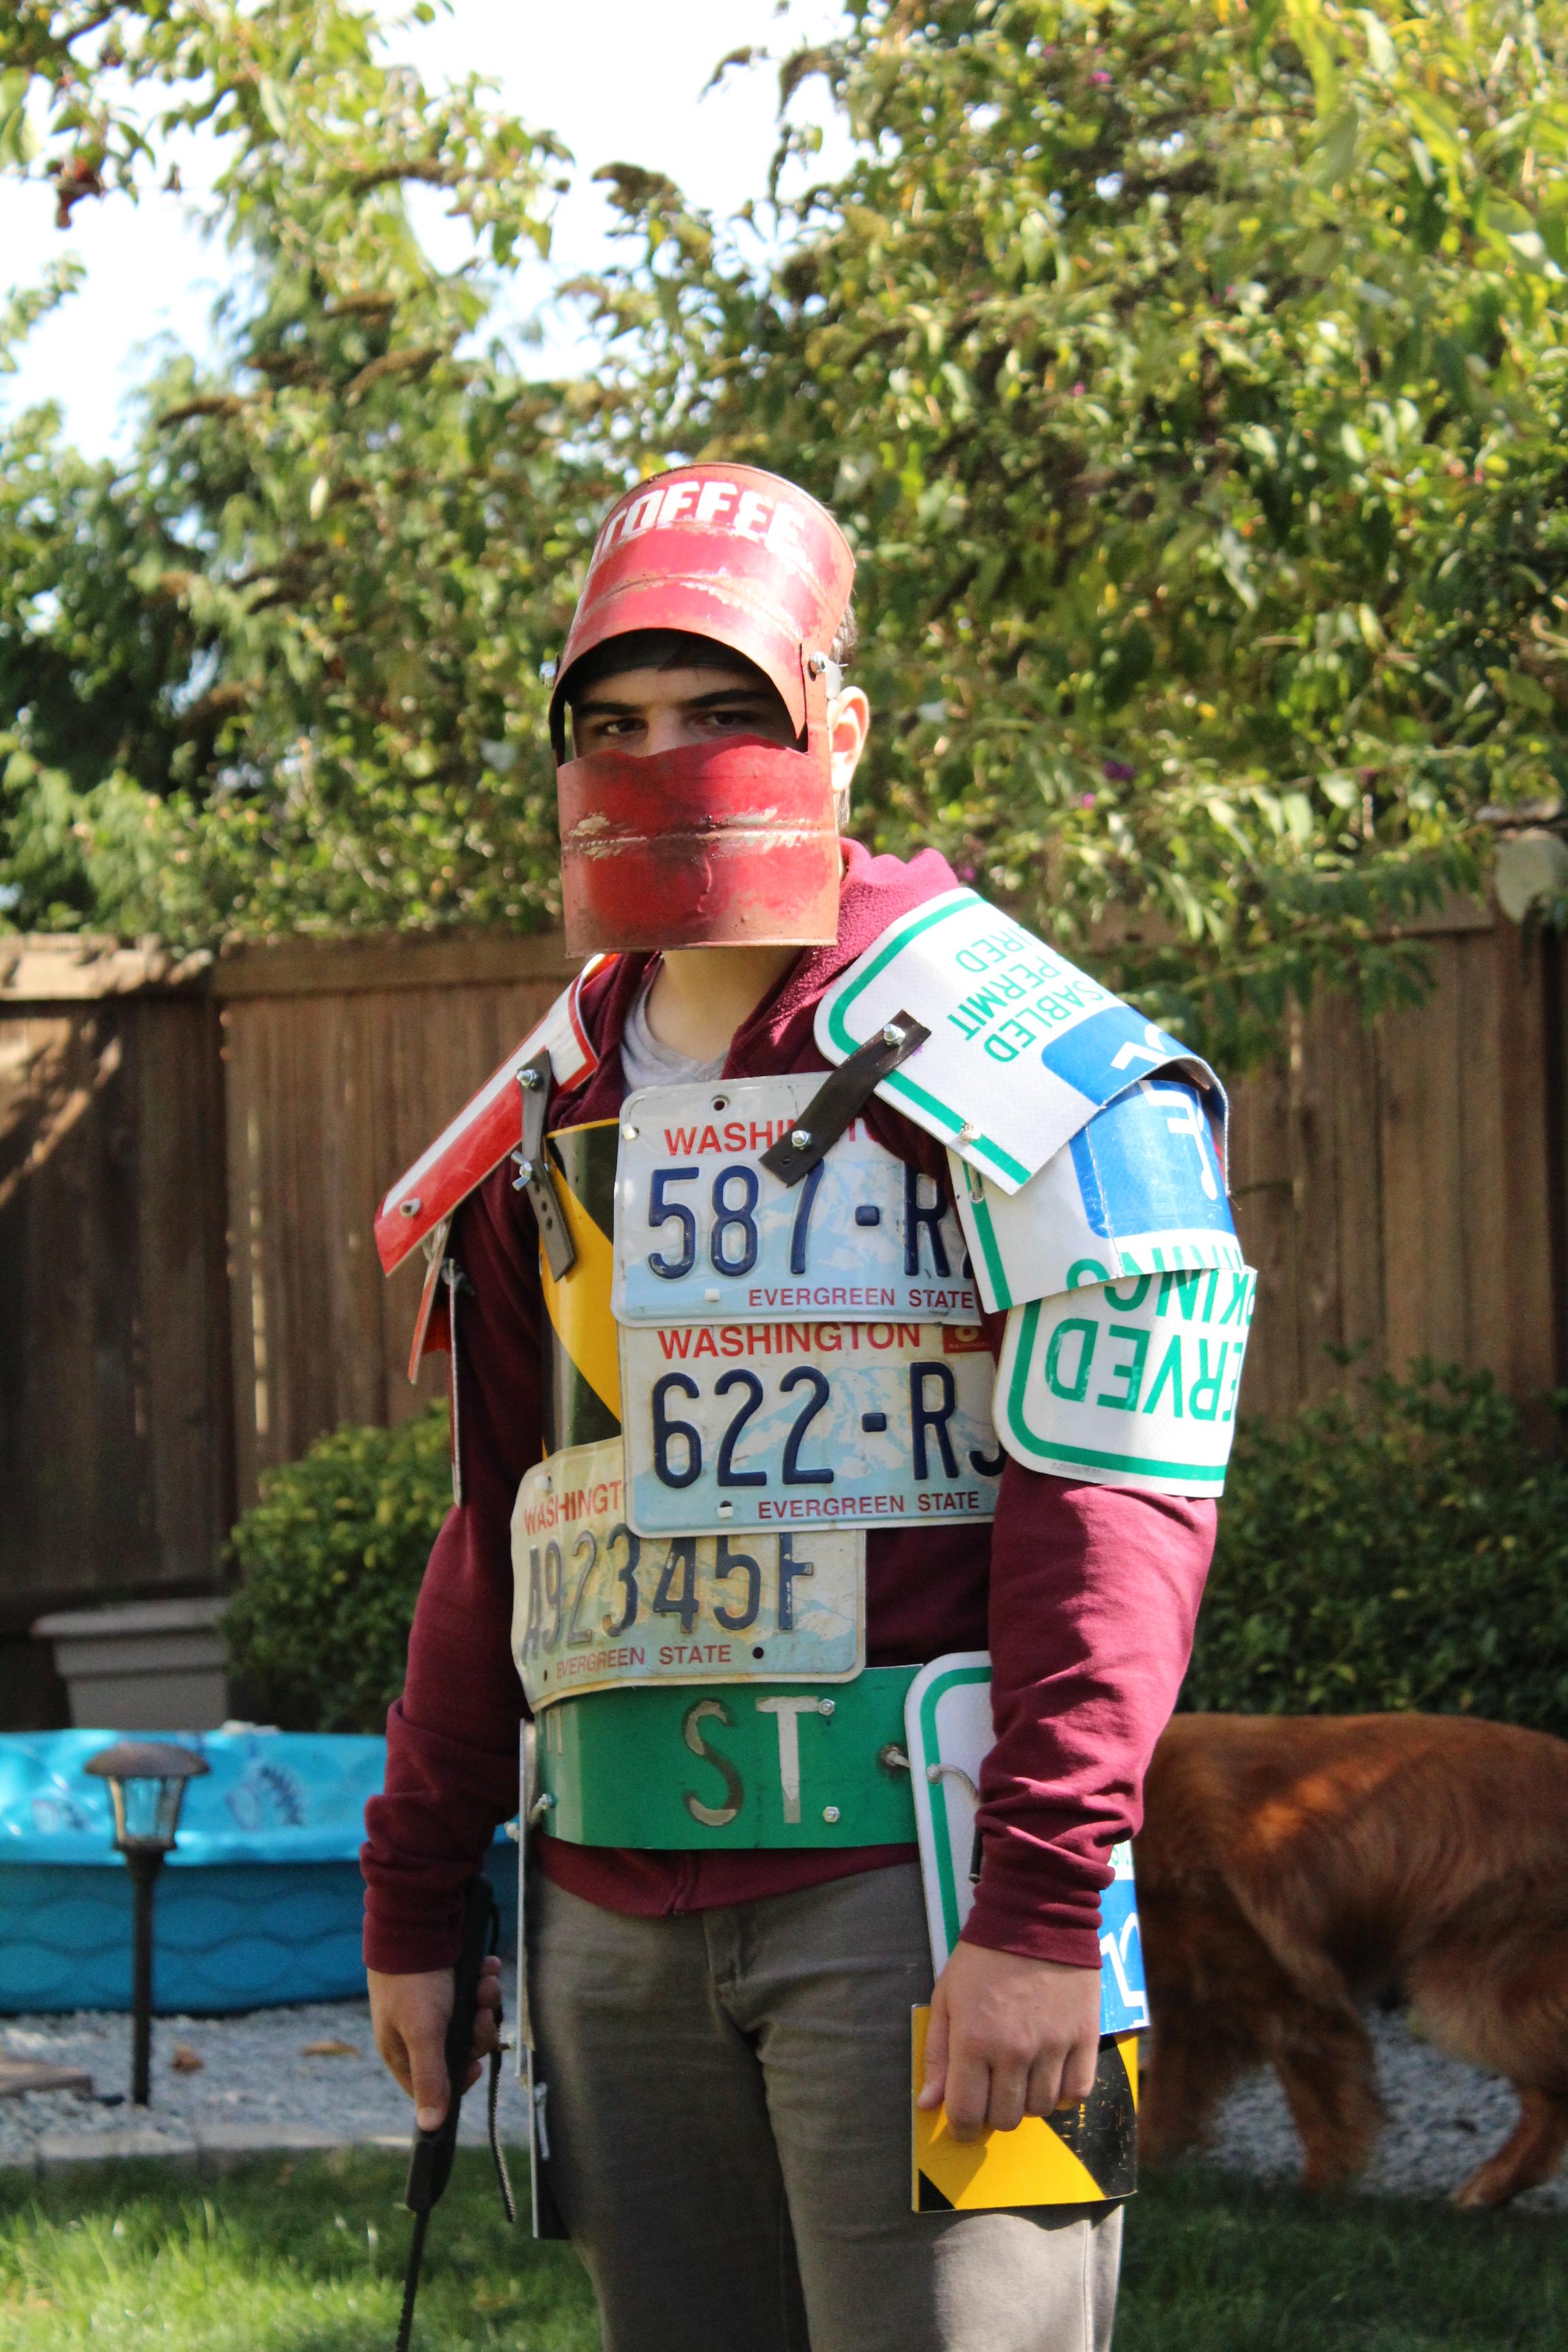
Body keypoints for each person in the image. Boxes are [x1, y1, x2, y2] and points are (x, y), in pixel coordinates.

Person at [362, 463, 1230, 2352]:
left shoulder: (1038, 1069)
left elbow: (1113, 1519)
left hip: (916, 1901)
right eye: (615, 720)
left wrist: (1039, 1905)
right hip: (607, 1914)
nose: (665, 760)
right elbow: (507, 1509)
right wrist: (420, 1887)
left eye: (723, 709)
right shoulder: (556, 1093)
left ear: (838, 724)